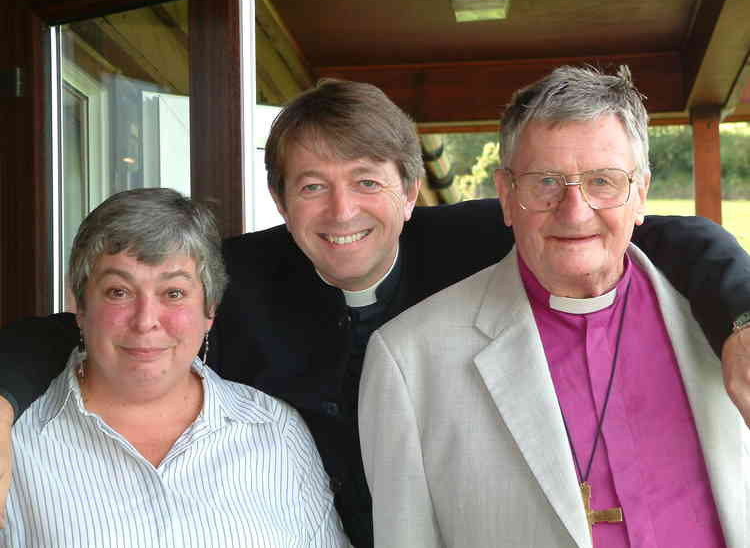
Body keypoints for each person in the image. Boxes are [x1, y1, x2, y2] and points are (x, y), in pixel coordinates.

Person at [1, 80, 750, 547]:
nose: (341, 212)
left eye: (366, 181)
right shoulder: (235, 275)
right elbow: (114, 315)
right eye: (311, 186)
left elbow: (663, 238)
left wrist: (742, 317)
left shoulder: (487, 229)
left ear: (409, 188)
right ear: (281, 200)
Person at [359, 66, 748, 548]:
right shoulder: (409, 362)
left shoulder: (724, 327)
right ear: (506, 195)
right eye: (545, 182)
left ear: (640, 193)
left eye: (603, 181)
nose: (575, 211)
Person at [0, 188, 347, 548]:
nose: (145, 321)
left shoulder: (276, 431)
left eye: (174, 293)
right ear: (81, 307)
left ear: (210, 308)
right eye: (119, 291)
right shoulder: (15, 440)